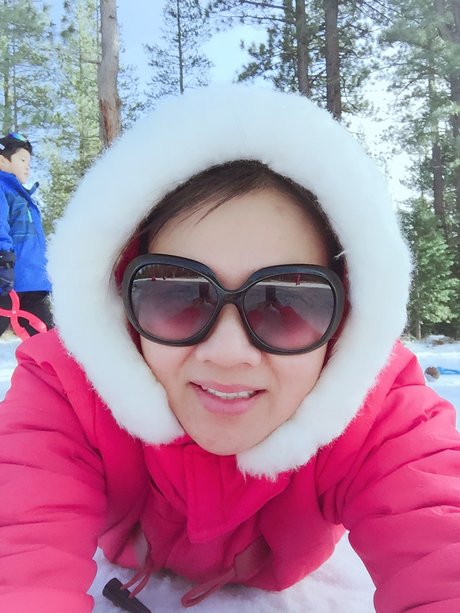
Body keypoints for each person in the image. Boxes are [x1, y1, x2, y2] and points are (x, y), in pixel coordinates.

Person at [0, 86, 459, 613]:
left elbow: (441, 543)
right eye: (176, 293)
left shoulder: (375, 406)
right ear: (120, 299)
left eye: (288, 302)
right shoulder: (68, 386)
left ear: (346, 320)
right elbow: (17, 551)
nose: (228, 352)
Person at [0, 132, 53, 337]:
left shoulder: (24, 198)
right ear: (3, 160)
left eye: (29, 162)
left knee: (48, 342)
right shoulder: (2, 188)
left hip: (31, 283)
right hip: (6, 280)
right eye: (22, 160)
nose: (27, 166)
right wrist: (3, 259)